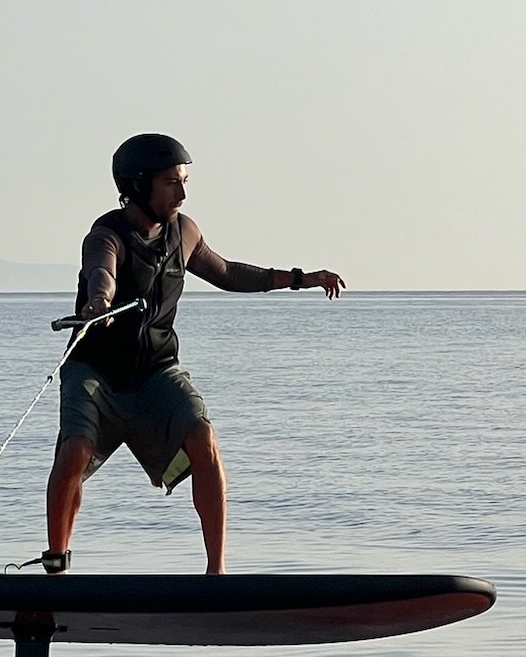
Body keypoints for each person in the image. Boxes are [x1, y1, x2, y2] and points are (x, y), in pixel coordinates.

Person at [44, 134, 344, 576]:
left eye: (184, 182)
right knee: (76, 449)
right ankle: (56, 563)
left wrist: (301, 278)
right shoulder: (106, 234)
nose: (182, 193)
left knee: (203, 439)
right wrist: (98, 305)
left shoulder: (184, 232)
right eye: (171, 182)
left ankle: (216, 572)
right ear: (139, 184)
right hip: (95, 371)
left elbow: (228, 273)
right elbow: (101, 274)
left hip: (156, 371)